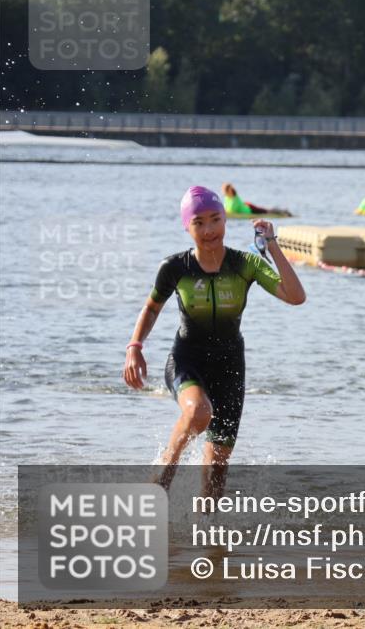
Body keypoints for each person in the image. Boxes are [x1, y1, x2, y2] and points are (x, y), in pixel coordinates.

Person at [122, 186, 306, 498]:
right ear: (187, 227)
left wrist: (272, 245)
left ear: (225, 220)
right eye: (198, 223)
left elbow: (296, 296)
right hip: (187, 360)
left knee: (215, 478)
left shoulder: (245, 264)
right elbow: (152, 308)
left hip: (230, 368)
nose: (209, 230)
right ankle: (166, 468)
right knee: (198, 413)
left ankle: (208, 541)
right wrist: (135, 347)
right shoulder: (175, 268)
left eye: (215, 220)